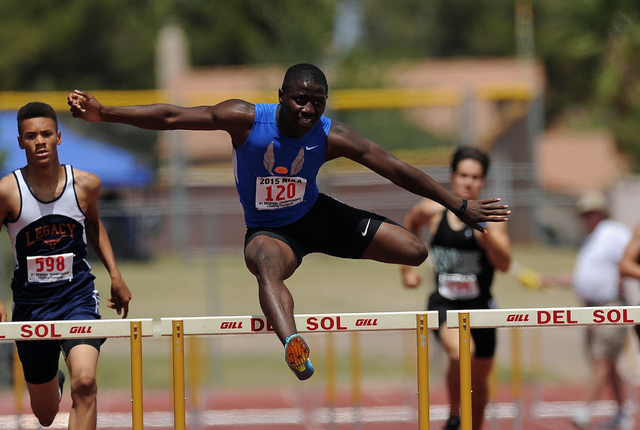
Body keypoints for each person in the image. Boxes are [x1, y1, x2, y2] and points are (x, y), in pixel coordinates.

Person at [67, 63, 509, 381]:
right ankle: (292, 344)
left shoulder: (331, 135)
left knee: (414, 251)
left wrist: (457, 204)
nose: (308, 111)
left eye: (318, 103)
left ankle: (331, 251)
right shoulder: (244, 119)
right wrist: (105, 113)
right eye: (301, 100)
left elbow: (393, 167)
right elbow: (172, 116)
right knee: (266, 265)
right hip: (270, 230)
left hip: (317, 215)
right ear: (280, 97)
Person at [0, 102, 131, 430]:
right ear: (20, 142)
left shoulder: (85, 185)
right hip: (32, 306)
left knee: (85, 383)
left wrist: (116, 276)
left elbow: (94, 225)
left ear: (59, 137)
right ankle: (52, 380)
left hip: (77, 298)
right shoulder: (7, 193)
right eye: (31, 136)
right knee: (45, 415)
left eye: (46, 134)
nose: (40, 141)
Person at [400, 146, 511, 430]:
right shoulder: (433, 210)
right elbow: (410, 223)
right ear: (452, 177)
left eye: (475, 177)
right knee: (462, 352)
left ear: (483, 181)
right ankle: (453, 416)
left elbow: (504, 264)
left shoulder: (492, 218)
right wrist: (406, 268)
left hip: (482, 306)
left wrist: (483, 235)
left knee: (480, 380)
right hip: (444, 303)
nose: (468, 182)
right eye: (463, 175)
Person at [542, 191, 633, 430]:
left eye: (590, 213)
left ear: (601, 213)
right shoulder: (591, 240)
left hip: (610, 305)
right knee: (607, 361)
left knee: (602, 358)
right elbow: (584, 277)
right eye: (583, 214)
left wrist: (624, 275)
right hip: (592, 308)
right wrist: (552, 280)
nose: (586, 218)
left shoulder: (613, 232)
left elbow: (631, 257)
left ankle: (586, 409)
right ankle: (623, 413)